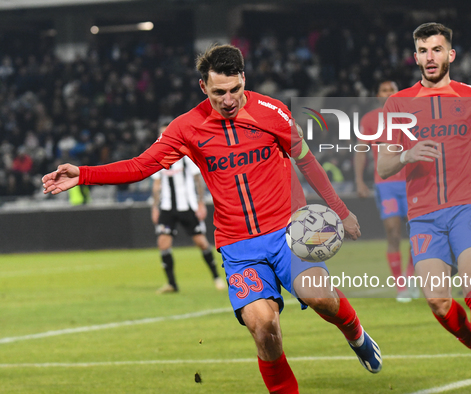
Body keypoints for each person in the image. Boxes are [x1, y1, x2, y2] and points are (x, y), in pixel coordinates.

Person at [43, 44, 382, 393]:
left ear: (244, 79)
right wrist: (83, 174)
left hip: (287, 232)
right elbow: (141, 165)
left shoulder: (272, 111)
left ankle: (355, 334)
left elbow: (307, 160)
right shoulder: (187, 127)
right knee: (264, 328)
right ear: (203, 87)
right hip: (239, 246)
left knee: (320, 297)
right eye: (220, 92)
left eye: (236, 89)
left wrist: (341, 211)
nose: (230, 99)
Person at [377, 23, 471, 393]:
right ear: (414, 56)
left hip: (468, 206)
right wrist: (407, 154)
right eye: (422, 50)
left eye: (436, 50)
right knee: (436, 300)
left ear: (450, 55)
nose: (429, 57)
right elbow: (383, 166)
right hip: (424, 216)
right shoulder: (398, 104)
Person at [354, 79, 418, 302]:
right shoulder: (370, 119)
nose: (388, 93)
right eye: (384, 90)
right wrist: (359, 181)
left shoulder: (411, 115)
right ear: (378, 95)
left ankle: (411, 276)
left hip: (412, 181)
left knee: (416, 232)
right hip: (386, 184)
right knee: (393, 232)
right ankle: (401, 285)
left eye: (392, 89)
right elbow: (361, 151)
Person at [150, 126, 225, 293]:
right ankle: (172, 284)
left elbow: (198, 179)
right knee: (163, 243)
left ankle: (216, 277)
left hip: (188, 207)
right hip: (167, 208)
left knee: (201, 242)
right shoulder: (157, 157)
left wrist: (200, 203)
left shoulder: (186, 155)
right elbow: (156, 185)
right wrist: (155, 208)